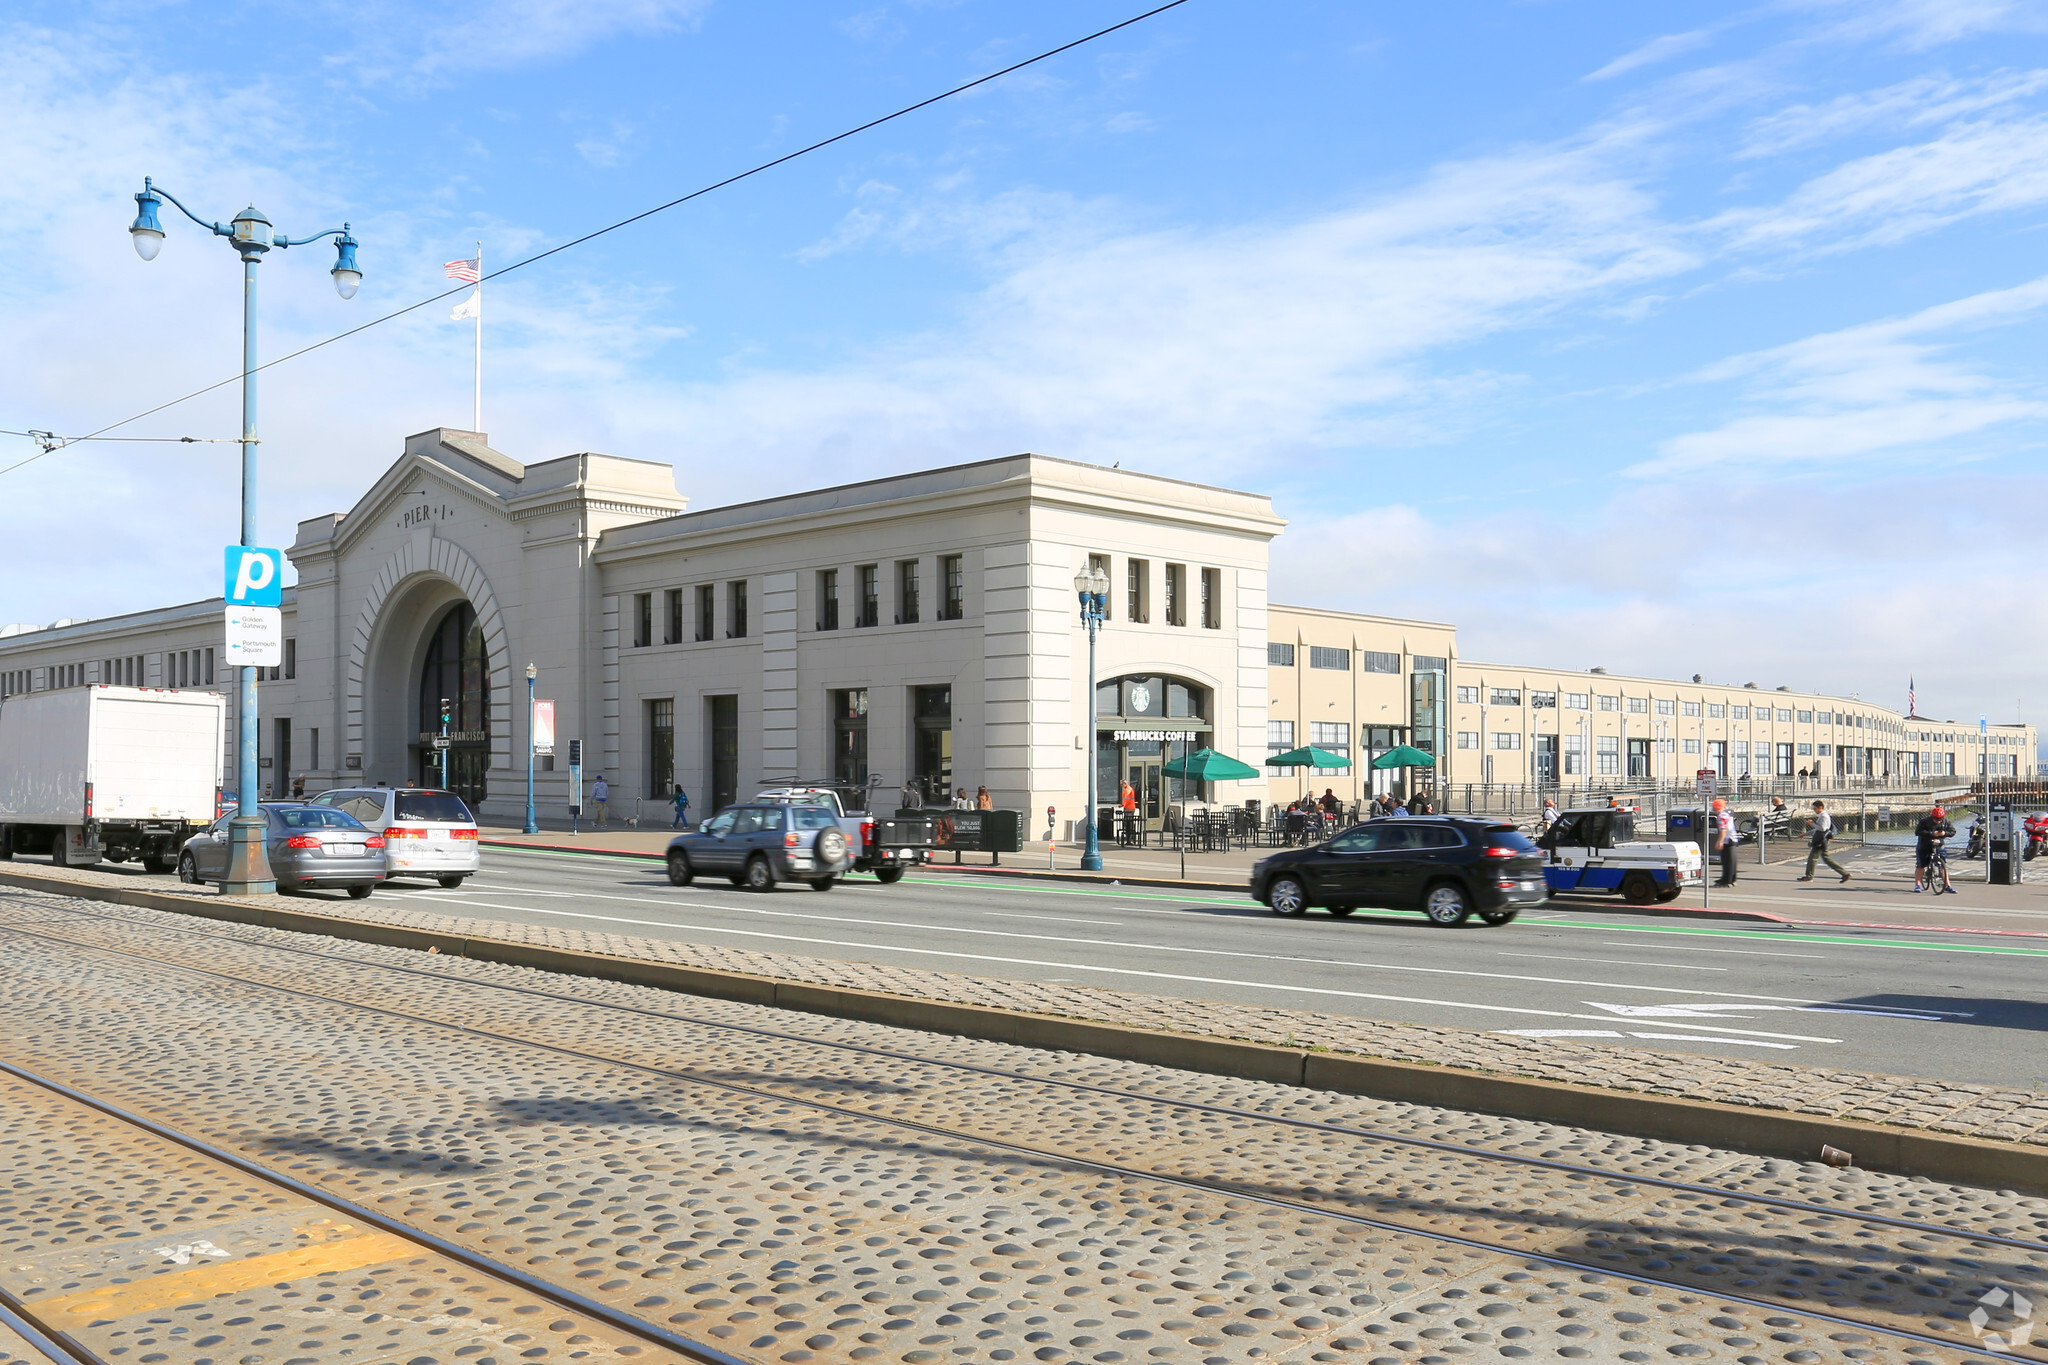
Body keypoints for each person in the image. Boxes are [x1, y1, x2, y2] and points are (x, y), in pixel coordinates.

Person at [1797, 800, 1849, 883]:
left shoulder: (1824, 816)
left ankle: (1809, 876)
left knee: (1812, 859)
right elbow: (1819, 828)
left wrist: (1812, 824)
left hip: (1821, 840)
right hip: (1822, 839)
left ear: (1820, 807)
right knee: (1826, 859)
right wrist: (1806, 834)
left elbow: (1823, 828)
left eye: (1815, 808)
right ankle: (1844, 873)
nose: (1814, 810)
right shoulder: (1823, 815)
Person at [1914, 806, 1957, 894]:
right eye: (1936, 819)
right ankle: (1917, 885)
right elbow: (1917, 832)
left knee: (1942, 865)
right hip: (1925, 845)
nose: (1938, 821)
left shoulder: (1946, 821)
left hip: (1939, 845)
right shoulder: (1924, 822)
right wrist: (1931, 833)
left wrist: (1945, 833)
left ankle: (1948, 886)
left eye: (1940, 819)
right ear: (1932, 817)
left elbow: (1953, 831)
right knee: (1921, 865)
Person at [1710, 797, 1738, 887]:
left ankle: (1726, 880)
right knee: (1732, 861)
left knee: (1726, 861)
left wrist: (1720, 841)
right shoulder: (1726, 815)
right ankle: (1732, 879)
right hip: (1733, 838)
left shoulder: (1721, 817)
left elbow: (1723, 830)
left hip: (1727, 840)